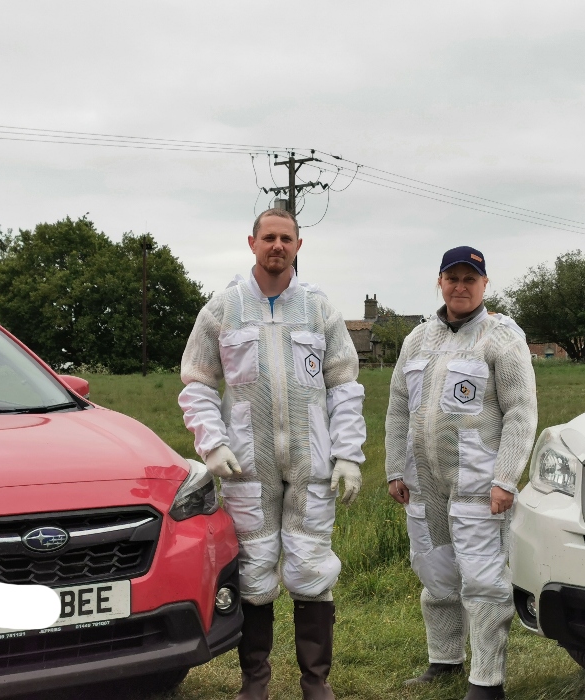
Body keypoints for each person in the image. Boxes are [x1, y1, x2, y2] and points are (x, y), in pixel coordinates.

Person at [178, 208, 366, 700]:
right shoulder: (223, 309)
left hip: (311, 464)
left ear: (298, 246)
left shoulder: (319, 310)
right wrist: (213, 444)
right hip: (247, 465)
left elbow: (344, 384)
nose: (277, 246)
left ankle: (315, 682)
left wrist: (348, 454)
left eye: (286, 238)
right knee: (255, 570)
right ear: (252, 243)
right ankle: (254, 682)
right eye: (269, 238)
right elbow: (197, 383)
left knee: (310, 565)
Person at [385, 246, 537, 700]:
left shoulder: (501, 338)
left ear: (485, 284)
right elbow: (397, 409)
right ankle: (444, 660)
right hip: (423, 482)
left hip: (478, 484)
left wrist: (506, 478)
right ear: (440, 282)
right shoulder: (417, 340)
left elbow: (521, 413)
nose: (461, 286)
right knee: (436, 575)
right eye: (453, 278)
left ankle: (486, 682)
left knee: (484, 580)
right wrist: (395, 468)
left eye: (470, 278)